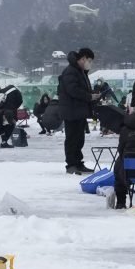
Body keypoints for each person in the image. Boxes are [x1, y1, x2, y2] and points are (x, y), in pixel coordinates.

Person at [56, 46, 98, 175]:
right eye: (89, 60)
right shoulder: (71, 71)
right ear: (83, 58)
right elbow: (73, 90)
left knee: (79, 138)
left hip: (79, 111)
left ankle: (78, 162)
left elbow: (82, 89)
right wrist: (89, 96)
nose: (90, 64)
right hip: (71, 110)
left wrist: (93, 95)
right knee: (72, 138)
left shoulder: (80, 72)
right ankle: (71, 164)